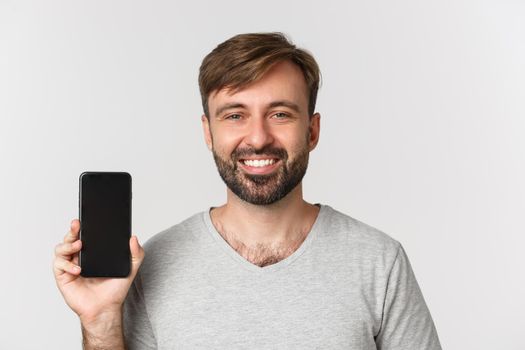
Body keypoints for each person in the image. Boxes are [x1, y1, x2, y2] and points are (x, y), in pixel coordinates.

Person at [53, 32, 442, 349]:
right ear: (208, 132)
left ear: (312, 130)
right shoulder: (154, 263)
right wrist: (101, 321)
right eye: (235, 115)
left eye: (280, 114)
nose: (258, 138)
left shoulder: (378, 261)